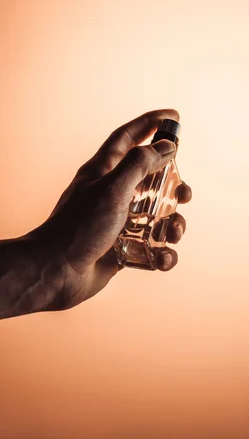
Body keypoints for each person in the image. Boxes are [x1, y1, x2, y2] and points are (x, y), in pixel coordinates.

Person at [0, 109, 192, 320]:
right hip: (121, 248)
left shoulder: (168, 172)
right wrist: (59, 261)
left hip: (117, 249)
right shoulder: (142, 163)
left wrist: (58, 264)